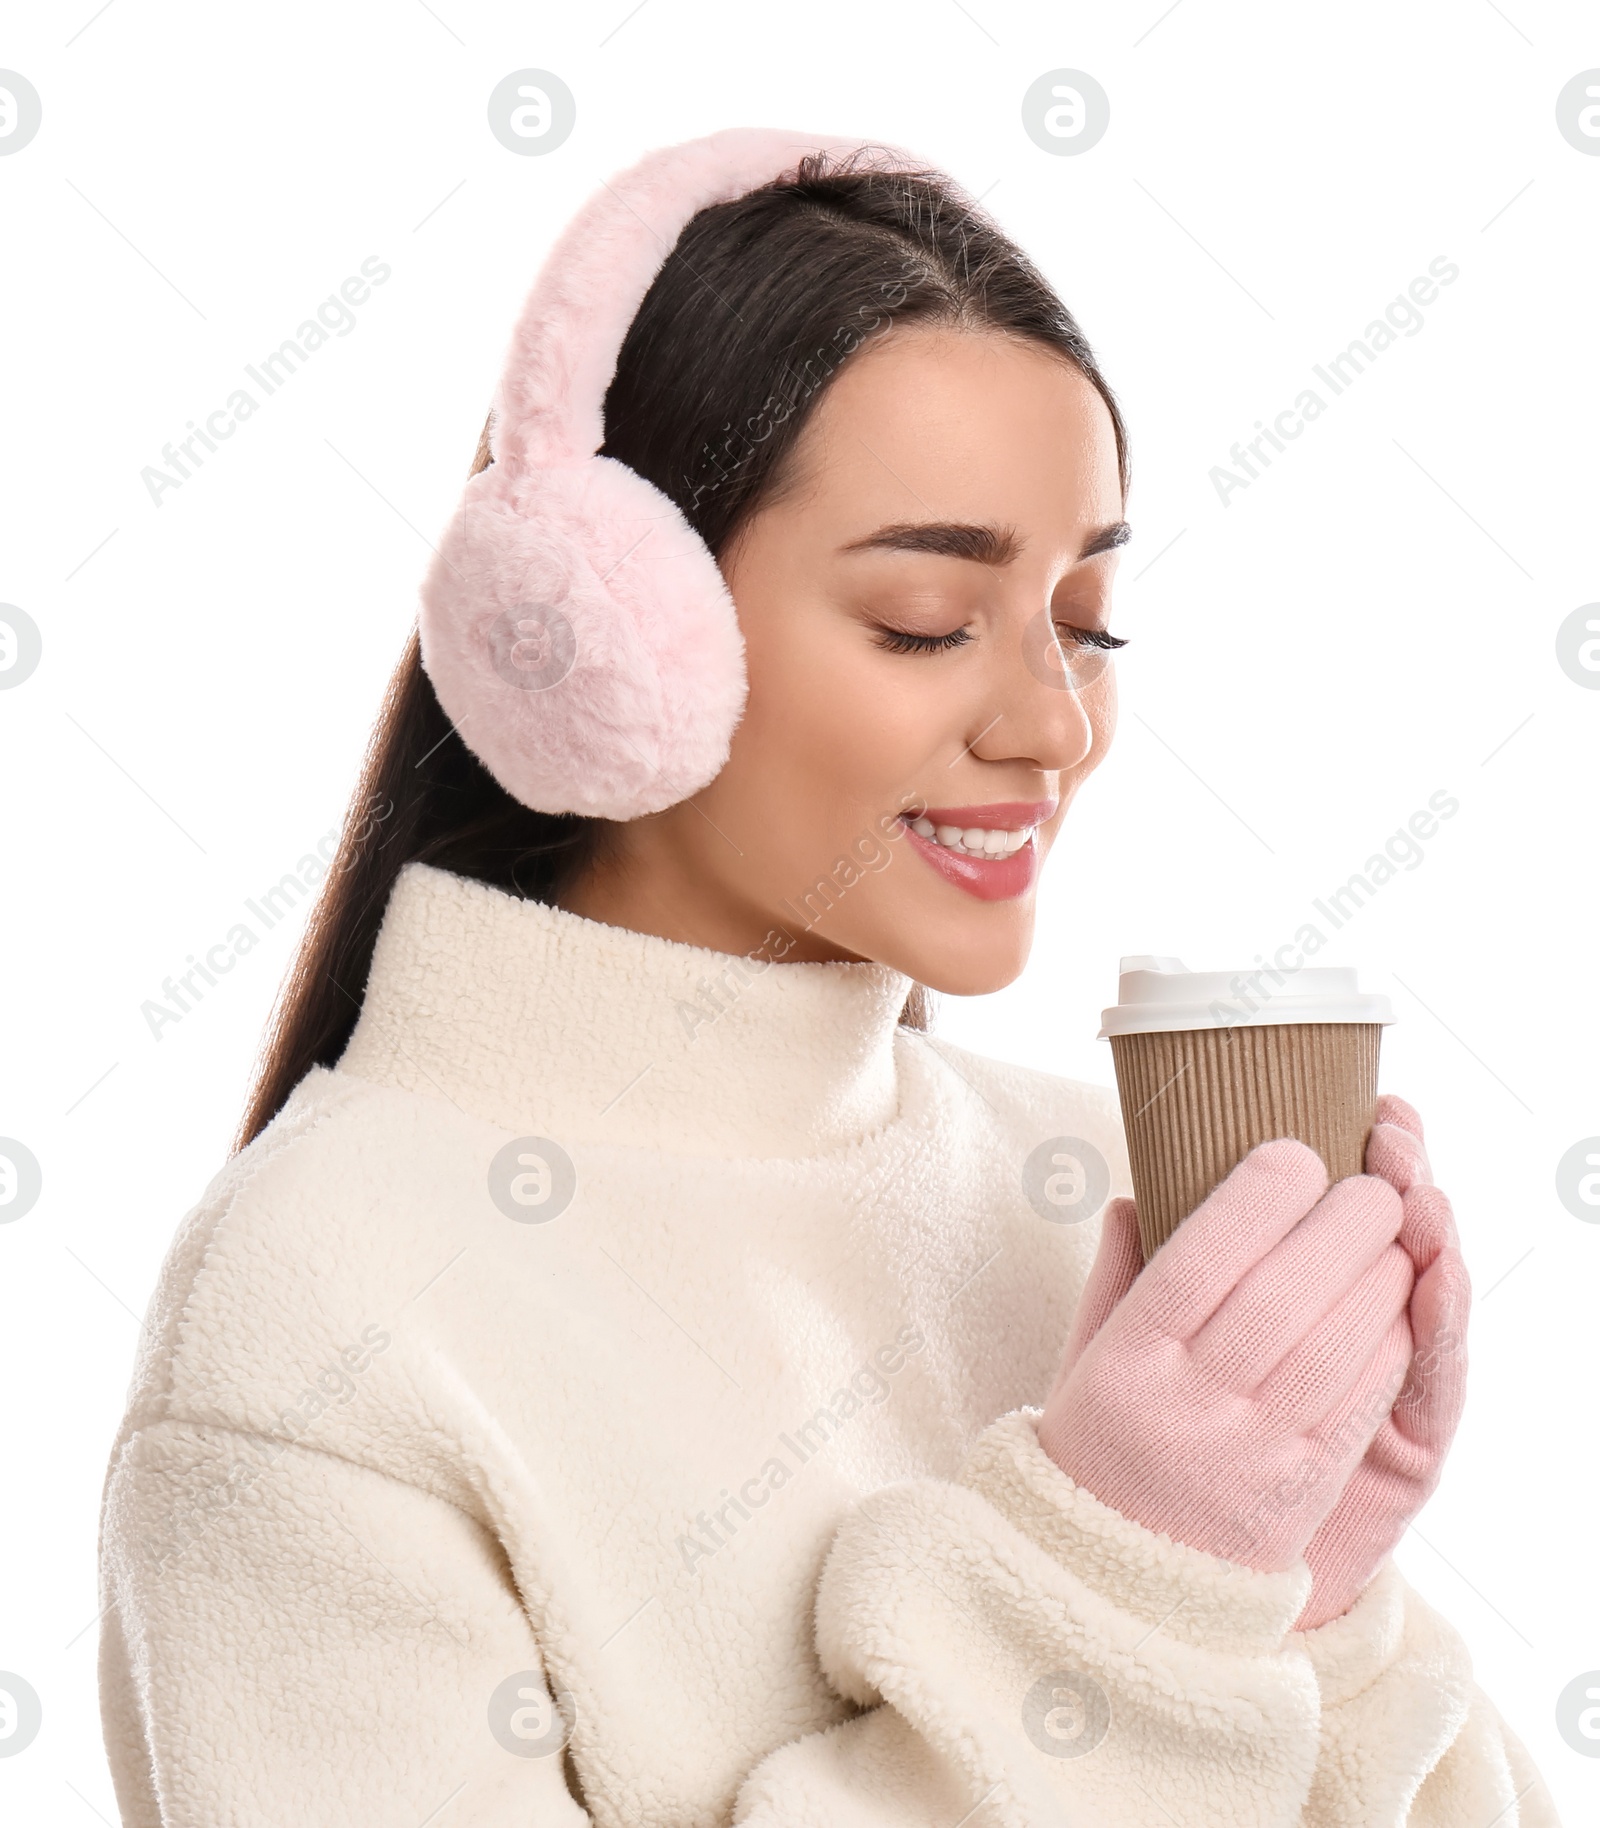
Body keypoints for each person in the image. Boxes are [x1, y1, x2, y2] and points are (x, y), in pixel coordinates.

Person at [96, 127, 1559, 1826]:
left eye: (1087, 618)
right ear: (614, 635)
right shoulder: (317, 1324)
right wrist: (1122, 1598)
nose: (1053, 726)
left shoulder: (1082, 1190)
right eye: (931, 618)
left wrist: (1310, 1608)